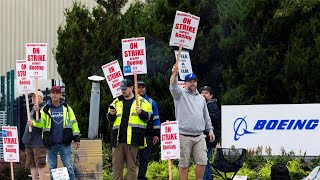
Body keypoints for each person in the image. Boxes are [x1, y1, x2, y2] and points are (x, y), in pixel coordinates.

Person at [169, 66, 215, 180]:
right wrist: (174, 75)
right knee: (184, 164)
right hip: (184, 135)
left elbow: (206, 116)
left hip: (200, 135)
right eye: (189, 81)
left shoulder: (201, 98)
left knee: (203, 162)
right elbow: (173, 87)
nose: (192, 83)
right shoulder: (179, 95)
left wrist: (210, 130)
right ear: (185, 83)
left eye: (194, 81)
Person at [29, 86, 80, 180]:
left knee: (69, 168)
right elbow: (41, 124)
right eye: (53, 93)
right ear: (50, 95)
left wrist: (76, 138)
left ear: (60, 95)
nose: (55, 95)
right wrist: (34, 122)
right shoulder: (45, 109)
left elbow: (74, 123)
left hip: (65, 143)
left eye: (57, 93)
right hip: (51, 144)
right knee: (52, 169)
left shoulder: (67, 108)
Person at [107, 79, 152, 180]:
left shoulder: (142, 102)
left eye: (125, 89)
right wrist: (111, 114)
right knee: (116, 168)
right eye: (121, 89)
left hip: (133, 140)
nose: (123, 91)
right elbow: (110, 119)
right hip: (118, 141)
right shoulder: (116, 102)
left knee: (131, 168)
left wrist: (141, 112)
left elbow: (149, 118)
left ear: (131, 88)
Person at [137, 80, 161, 180]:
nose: (141, 89)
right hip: (132, 134)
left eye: (143, 87)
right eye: (139, 87)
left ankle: (141, 177)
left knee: (144, 159)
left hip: (147, 134)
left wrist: (156, 134)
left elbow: (156, 119)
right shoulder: (131, 101)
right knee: (132, 159)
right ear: (134, 88)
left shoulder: (151, 102)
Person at [22, 91, 47, 180]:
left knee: (40, 164)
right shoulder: (32, 109)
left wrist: (39, 112)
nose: (33, 98)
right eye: (32, 96)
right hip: (29, 141)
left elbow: (43, 123)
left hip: (38, 142)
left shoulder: (44, 108)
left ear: (41, 98)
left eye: (35, 96)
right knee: (31, 164)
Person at [200, 86, 221, 180]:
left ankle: (207, 178)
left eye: (206, 93)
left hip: (209, 138)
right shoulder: (202, 105)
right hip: (204, 138)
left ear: (211, 96)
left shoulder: (213, 106)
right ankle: (208, 177)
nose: (203, 95)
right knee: (204, 160)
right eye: (202, 93)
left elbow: (212, 121)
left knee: (204, 160)